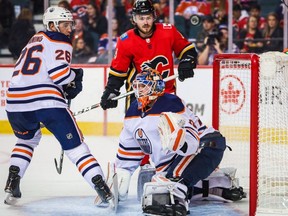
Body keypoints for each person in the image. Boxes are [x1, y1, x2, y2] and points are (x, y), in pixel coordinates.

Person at [4, 6, 112, 206]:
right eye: (65, 24)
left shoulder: (34, 39)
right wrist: (75, 76)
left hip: (15, 103)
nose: (69, 28)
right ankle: (102, 187)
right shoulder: (60, 39)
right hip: (46, 101)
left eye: (70, 24)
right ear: (52, 25)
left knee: (26, 142)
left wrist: (67, 82)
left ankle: (12, 182)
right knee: (76, 148)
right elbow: (60, 75)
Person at [113, 69, 244, 215]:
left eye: (143, 86)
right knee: (161, 182)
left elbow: (192, 141)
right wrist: (121, 176)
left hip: (205, 147)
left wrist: (181, 142)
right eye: (136, 86)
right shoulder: (132, 112)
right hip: (175, 158)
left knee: (168, 185)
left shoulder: (170, 103)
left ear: (156, 87)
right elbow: (129, 151)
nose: (138, 90)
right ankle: (218, 184)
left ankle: (176, 202)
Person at [100, 0, 197, 111]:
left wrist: (187, 61)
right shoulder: (125, 40)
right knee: (137, 129)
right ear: (134, 19)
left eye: (148, 17)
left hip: (167, 93)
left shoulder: (168, 31)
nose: (145, 22)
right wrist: (111, 90)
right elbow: (118, 72)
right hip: (139, 96)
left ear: (154, 17)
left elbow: (187, 50)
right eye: (141, 18)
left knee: (169, 127)